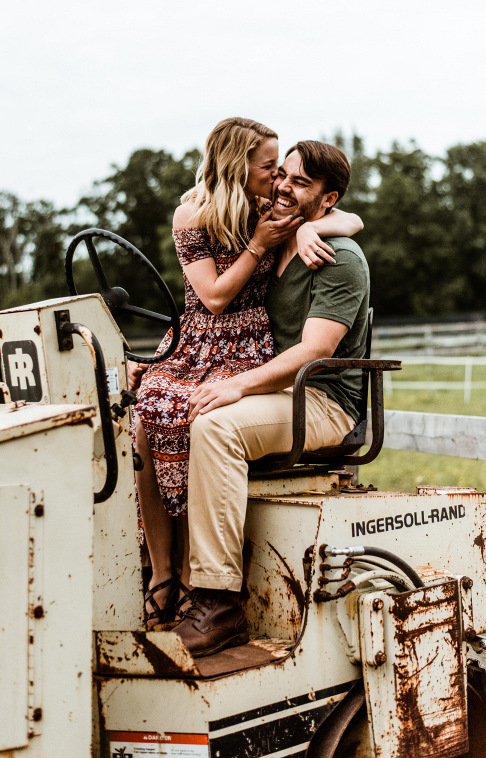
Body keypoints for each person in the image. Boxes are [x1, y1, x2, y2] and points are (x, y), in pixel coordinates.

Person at [129, 119, 363, 628]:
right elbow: (211, 294)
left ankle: (214, 595)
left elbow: (315, 348)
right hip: (246, 366)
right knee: (142, 414)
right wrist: (299, 225)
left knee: (210, 422)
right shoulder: (271, 230)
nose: (282, 184)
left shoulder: (333, 256)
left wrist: (310, 226)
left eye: (297, 180)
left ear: (326, 199)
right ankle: (159, 568)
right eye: (279, 174)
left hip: (319, 396)